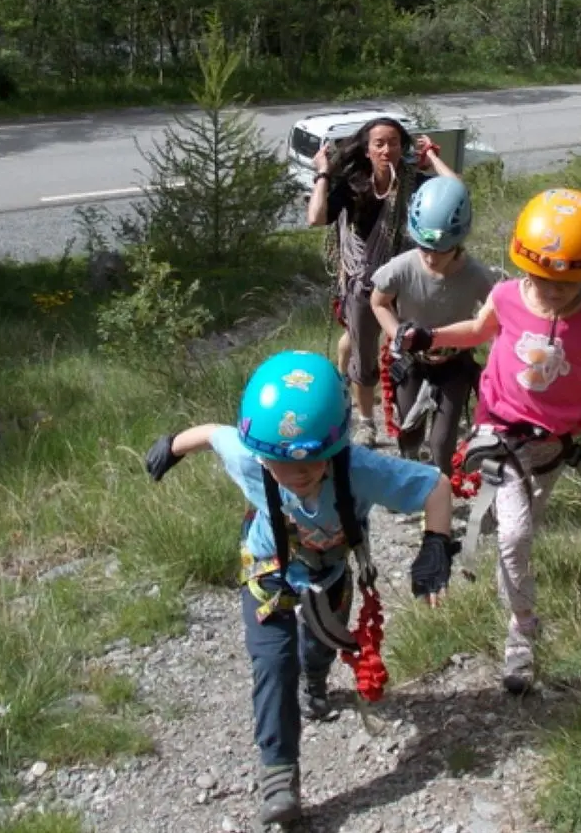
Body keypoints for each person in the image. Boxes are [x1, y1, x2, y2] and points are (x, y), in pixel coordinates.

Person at [143, 350, 457, 829]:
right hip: (267, 570)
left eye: (312, 463)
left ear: (335, 445)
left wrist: (436, 544)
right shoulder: (250, 457)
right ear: (261, 452)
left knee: (319, 647)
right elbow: (212, 434)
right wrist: (172, 446)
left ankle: (316, 681)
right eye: (282, 465)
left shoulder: (359, 469)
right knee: (273, 662)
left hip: (328, 572)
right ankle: (278, 774)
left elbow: (436, 486)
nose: (298, 475)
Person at [427, 187, 581, 695]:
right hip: (500, 432)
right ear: (524, 264)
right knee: (514, 535)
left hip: (554, 446)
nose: (553, 291)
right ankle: (523, 633)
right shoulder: (507, 296)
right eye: (543, 279)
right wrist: (429, 335)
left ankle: (513, 592)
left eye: (567, 283)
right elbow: (476, 331)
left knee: (522, 536)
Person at [307, 117, 457, 448]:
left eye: (394, 143)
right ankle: (365, 421)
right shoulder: (353, 185)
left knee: (411, 346)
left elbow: (455, 192)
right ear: (367, 150)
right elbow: (316, 217)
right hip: (363, 282)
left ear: (403, 148)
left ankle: (412, 411)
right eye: (379, 143)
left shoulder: (413, 183)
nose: (387, 149)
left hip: (405, 282)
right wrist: (323, 173)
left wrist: (432, 157)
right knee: (364, 356)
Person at [372, 175, 496, 476]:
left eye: (441, 250)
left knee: (442, 443)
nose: (430, 257)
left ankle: (439, 491)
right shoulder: (403, 267)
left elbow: (496, 316)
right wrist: (396, 334)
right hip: (411, 361)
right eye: (424, 247)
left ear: (458, 242)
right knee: (409, 432)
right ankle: (411, 476)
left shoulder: (476, 276)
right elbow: (379, 301)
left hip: (454, 363)